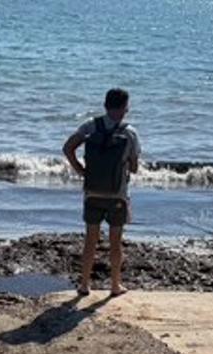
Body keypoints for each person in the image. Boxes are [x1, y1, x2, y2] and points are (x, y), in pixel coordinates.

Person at [63, 87, 141, 298]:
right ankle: (115, 285)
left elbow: (68, 148)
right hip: (117, 195)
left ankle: (84, 285)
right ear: (125, 108)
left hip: (92, 192)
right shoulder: (129, 132)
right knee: (115, 242)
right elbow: (134, 167)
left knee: (91, 240)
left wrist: (81, 171)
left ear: (105, 105)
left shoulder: (90, 126)